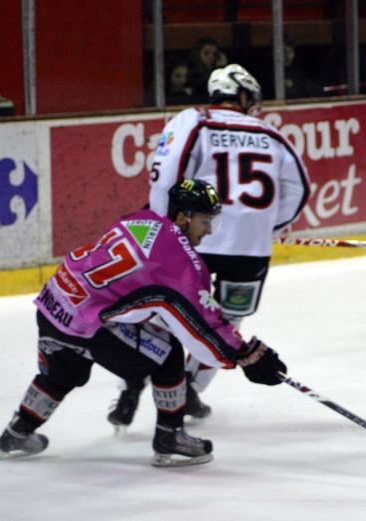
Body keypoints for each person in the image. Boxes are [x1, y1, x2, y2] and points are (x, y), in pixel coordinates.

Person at [0, 179, 287, 467]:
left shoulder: (142, 218)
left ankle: (15, 434)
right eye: (205, 221)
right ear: (185, 216)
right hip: (89, 324)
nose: (210, 231)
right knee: (168, 353)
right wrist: (246, 354)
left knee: (60, 376)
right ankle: (170, 438)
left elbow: (130, 286)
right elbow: (205, 327)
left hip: (54, 301)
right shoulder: (183, 264)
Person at [105, 63, 310, 428]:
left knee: (163, 309)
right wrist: (266, 228)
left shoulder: (193, 121)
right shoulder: (272, 134)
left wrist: (162, 226)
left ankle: (133, 382)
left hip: (191, 238)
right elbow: (298, 190)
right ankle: (191, 390)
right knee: (227, 320)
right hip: (249, 250)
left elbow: (165, 174)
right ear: (243, 96)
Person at [187, 37, 228, 103]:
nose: (211, 57)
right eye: (206, 53)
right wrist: (219, 68)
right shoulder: (192, 73)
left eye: (215, 54)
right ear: (197, 54)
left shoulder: (219, 71)